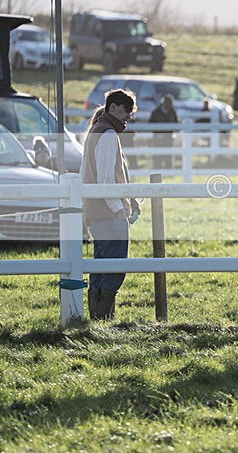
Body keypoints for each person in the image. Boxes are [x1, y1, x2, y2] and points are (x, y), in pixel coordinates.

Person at [80, 89, 140, 320]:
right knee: (114, 268)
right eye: (127, 110)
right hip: (108, 212)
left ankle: (97, 318)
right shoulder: (107, 135)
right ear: (113, 107)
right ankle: (104, 317)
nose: (129, 117)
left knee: (101, 265)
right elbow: (105, 180)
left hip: (96, 210)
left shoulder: (96, 131)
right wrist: (119, 210)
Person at [149, 93, 179, 169]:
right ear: (164, 103)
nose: (169, 106)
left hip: (169, 138)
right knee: (157, 156)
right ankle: (157, 170)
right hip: (158, 138)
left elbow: (176, 124)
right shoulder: (156, 112)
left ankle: (169, 172)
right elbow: (151, 124)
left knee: (169, 155)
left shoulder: (173, 112)